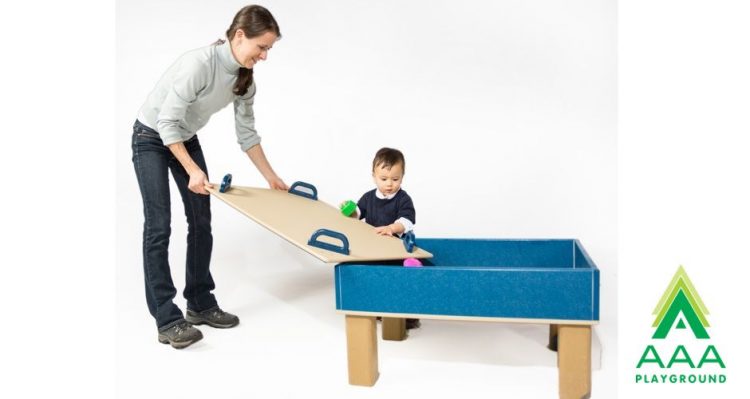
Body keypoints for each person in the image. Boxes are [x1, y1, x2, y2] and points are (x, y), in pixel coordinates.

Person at [131, 5, 287, 349]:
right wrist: (192, 169)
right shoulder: (199, 63)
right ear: (239, 35)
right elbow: (166, 123)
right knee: (159, 226)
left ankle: (199, 302)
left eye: (269, 49)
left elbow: (247, 134)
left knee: (201, 221)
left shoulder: (245, 79)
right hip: (151, 137)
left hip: (184, 137)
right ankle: (167, 319)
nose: (264, 56)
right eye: (261, 47)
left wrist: (272, 177)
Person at [346, 147, 421, 329]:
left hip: (396, 250)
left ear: (402, 176)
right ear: (374, 176)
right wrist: (349, 210)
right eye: (384, 179)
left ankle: (407, 315)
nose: (389, 184)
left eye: (395, 179)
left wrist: (391, 227)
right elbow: (357, 213)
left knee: (397, 280)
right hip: (375, 249)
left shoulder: (403, 199)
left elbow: (407, 220)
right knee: (376, 277)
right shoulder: (369, 197)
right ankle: (379, 308)